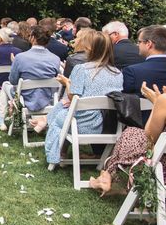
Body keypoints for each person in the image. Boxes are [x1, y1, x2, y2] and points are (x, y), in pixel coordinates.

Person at [42, 32, 123, 164]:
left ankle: (55, 154)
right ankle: (57, 147)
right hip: (108, 124)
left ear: (90, 49)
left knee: (58, 115)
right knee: (63, 110)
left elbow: (73, 97)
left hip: (83, 124)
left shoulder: (82, 69)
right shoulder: (117, 73)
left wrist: (67, 83)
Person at [90, 72, 166, 195]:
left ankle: (107, 174)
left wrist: (157, 104)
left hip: (165, 173)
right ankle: (107, 175)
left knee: (131, 132)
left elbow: (150, 136)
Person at [0, 25, 61, 130]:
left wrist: (14, 64)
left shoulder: (20, 57)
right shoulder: (55, 59)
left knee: (5, 84)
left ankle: (1, 119)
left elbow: (12, 81)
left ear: (33, 38)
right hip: (46, 98)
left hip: (25, 98)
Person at [123, 25, 166, 125]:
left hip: (145, 126)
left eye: (139, 42)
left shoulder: (132, 71)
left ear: (148, 44)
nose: (137, 45)